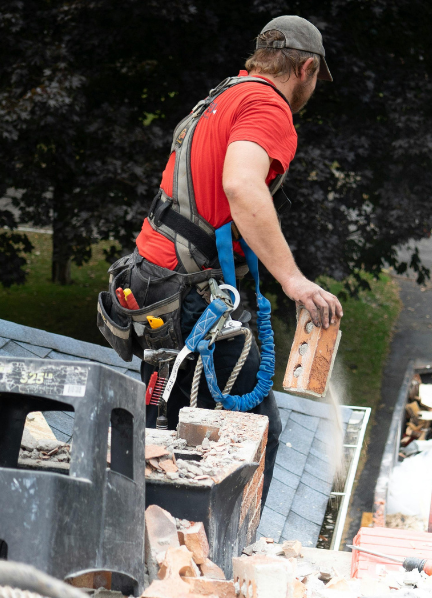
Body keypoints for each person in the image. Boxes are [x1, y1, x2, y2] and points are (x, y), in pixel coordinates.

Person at [98, 16, 343, 508]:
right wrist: (293, 281)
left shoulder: (223, 96)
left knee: (165, 428)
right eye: (315, 79)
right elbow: (241, 185)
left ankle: (142, 531)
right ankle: (213, 563)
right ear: (307, 68)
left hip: (155, 283)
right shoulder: (267, 107)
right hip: (190, 298)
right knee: (246, 437)